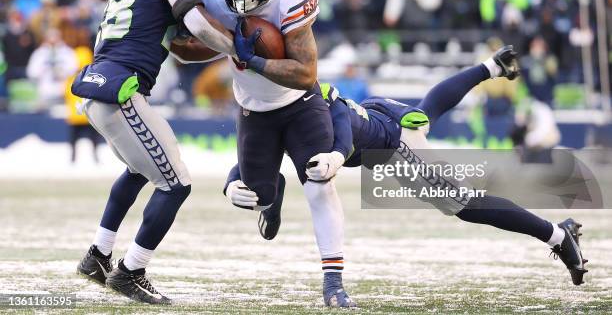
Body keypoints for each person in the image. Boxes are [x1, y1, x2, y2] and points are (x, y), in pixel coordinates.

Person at [225, 46, 589, 287]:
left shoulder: (317, 101)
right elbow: (252, 151)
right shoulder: (275, 103)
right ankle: (490, 67)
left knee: (464, 204)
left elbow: (340, 140)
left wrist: (336, 157)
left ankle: (556, 234)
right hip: (371, 113)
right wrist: (233, 182)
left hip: (391, 143)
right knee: (424, 113)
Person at [74, 0, 238, 305]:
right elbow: (196, 25)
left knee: (138, 170)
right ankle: (131, 271)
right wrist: (237, 46)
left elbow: (182, 46)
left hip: (103, 89)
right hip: (122, 92)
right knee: (176, 183)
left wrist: (225, 48)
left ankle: (98, 255)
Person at [191, 0, 355, 308]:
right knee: (254, 196)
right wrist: (223, 41)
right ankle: (266, 189)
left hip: (300, 103)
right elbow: (186, 51)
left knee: (319, 180)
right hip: (254, 110)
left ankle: (333, 282)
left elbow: (305, 73)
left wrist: (254, 60)